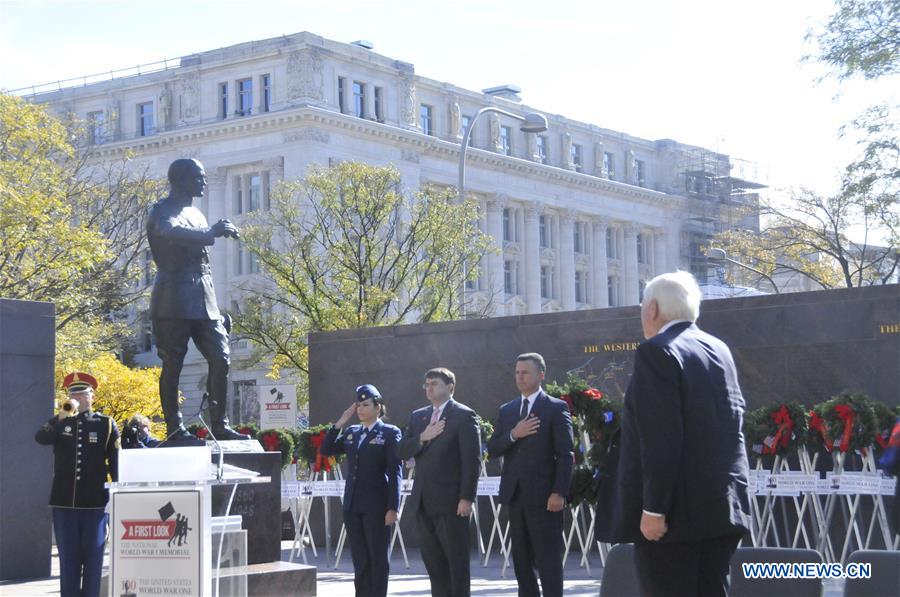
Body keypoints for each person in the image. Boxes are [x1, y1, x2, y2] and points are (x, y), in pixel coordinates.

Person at [607, 271, 751, 597]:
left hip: (673, 520)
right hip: (721, 509)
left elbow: (661, 437)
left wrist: (654, 509)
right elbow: (733, 426)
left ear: (653, 309)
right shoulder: (718, 349)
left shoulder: (657, 351)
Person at [147, 158, 248, 441]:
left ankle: (220, 425)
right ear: (179, 180)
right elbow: (167, 231)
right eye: (198, 177)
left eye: (204, 177)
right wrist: (210, 233)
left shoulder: (198, 213)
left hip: (204, 298)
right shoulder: (160, 210)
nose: (203, 182)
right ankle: (175, 428)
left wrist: (209, 231)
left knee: (221, 358)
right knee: (173, 362)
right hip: (173, 296)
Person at [487, 353, 574, 597]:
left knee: (548, 561)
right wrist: (514, 434)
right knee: (521, 561)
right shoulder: (508, 410)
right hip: (516, 497)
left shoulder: (556, 408)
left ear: (541, 375)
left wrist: (559, 492)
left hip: (546, 498)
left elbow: (566, 454)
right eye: (517, 372)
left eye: (525, 372)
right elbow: (493, 449)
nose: (520, 377)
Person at [35, 372, 120, 597]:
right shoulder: (61, 422)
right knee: (68, 562)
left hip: (95, 506)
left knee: (93, 561)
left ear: (92, 396)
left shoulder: (106, 424)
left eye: (83, 394)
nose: (78, 399)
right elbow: (40, 438)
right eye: (74, 394)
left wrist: (118, 498)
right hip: (65, 504)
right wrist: (60, 415)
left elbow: (116, 465)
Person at [397, 368, 480, 597]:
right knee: (434, 566)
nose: (429, 388)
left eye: (434, 383)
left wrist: (466, 497)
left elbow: (472, 461)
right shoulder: (418, 417)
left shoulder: (463, 415)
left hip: (452, 503)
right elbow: (402, 450)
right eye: (426, 384)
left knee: (456, 565)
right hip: (423, 502)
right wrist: (423, 437)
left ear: (450, 386)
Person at [319, 384, 401, 597]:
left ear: (378, 407)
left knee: (377, 558)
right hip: (353, 505)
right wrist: (339, 424)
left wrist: (393, 507)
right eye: (358, 405)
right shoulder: (352, 433)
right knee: (360, 559)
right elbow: (326, 449)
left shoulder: (390, 433)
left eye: (366, 405)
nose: (361, 409)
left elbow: (395, 472)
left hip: (377, 506)